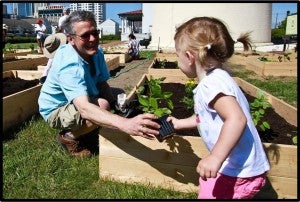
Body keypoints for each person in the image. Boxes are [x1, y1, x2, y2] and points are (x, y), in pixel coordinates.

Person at [170, 17, 270, 199]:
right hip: (239, 167)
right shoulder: (219, 78)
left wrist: (215, 157)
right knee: (207, 184)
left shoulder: (211, 85)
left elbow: (237, 119)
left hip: (235, 171)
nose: (177, 60)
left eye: (177, 54)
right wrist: (179, 123)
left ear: (189, 57)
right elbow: (207, 117)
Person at [38, 10, 160, 158]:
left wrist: (118, 107)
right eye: (85, 35)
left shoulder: (96, 52)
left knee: (117, 94)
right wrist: (125, 124)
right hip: (57, 108)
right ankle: (69, 137)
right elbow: (84, 108)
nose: (92, 39)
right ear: (71, 39)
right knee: (102, 105)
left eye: (95, 33)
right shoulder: (69, 65)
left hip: (79, 98)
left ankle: (92, 125)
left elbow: (101, 83)